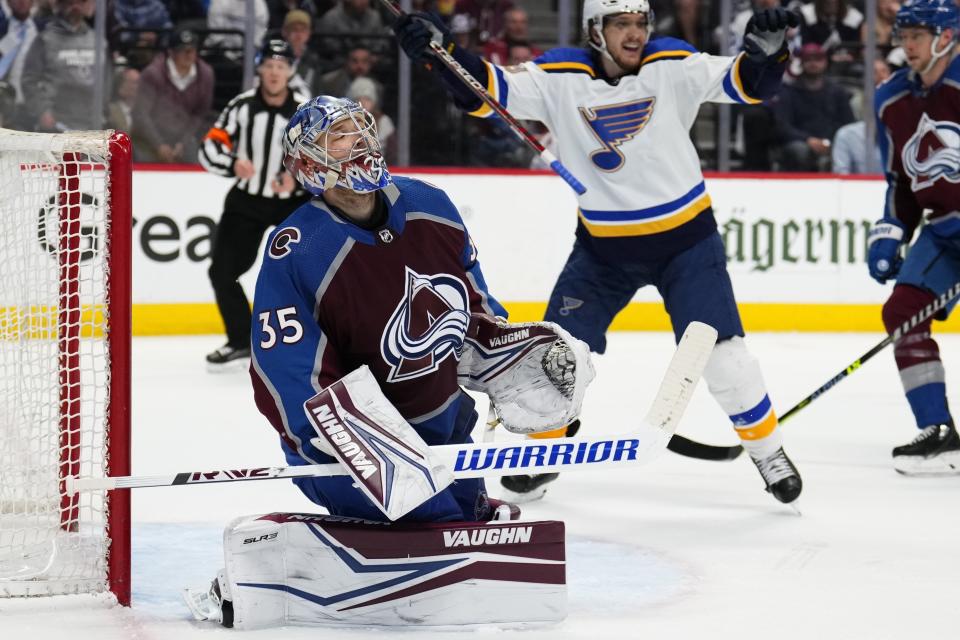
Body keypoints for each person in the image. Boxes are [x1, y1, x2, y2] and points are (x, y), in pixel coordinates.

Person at [182, 96, 592, 628]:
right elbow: (289, 377)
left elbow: (475, 313)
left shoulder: (432, 205)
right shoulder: (297, 249)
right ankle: (273, 571)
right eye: (340, 137)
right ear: (310, 164)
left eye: (362, 130)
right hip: (349, 450)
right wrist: (368, 449)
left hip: (443, 434)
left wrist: (513, 354)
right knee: (439, 526)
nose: (360, 143)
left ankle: (416, 542)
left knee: (468, 519)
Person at [394, 0, 805, 504]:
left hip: (687, 242)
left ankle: (768, 451)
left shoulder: (670, 64)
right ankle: (544, 454)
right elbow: (485, 90)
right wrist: (444, 53)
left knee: (725, 358)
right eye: (621, 24)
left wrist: (768, 53)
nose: (634, 34)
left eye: (640, 23)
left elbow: (747, 84)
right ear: (595, 30)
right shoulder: (558, 75)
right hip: (603, 251)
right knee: (554, 355)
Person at [869, 0, 960, 475]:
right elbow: (901, 182)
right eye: (903, 36)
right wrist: (891, 231)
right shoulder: (891, 99)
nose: (907, 45)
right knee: (902, 312)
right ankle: (938, 431)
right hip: (946, 231)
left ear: (946, 36)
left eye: (917, 36)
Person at [198, 39, 310, 369]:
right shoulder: (241, 106)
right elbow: (209, 148)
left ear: (291, 71)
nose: (275, 73)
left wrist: (298, 177)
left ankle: (309, 343)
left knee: (306, 275)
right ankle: (239, 339)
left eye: (282, 66)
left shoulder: (304, 110)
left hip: (293, 204)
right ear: (259, 68)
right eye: (269, 65)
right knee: (222, 271)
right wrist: (232, 164)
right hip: (246, 201)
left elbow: (323, 157)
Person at [20, 0, 111, 131]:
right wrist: (42, 111)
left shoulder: (98, 42)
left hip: (91, 123)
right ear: (59, 5)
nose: (75, 6)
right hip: (56, 125)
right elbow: (29, 80)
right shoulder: (45, 40)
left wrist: (103, 110)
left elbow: (107, 81)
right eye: (69, 2)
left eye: (81, 2)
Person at [134, 28, 214, 163]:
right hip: (149, 139)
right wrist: (159, 145)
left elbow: (199, 113)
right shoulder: (153, 74)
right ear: (171, 52)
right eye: (183, 50)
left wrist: (183, 142)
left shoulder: (205, 74)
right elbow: (141, 114)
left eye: (192, 50)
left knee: (197, 158)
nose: (189, 55)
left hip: (183, 140)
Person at [770, 42, 855, 171]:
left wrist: (830, 142)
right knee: (799, 151)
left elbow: (848, 123)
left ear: (825, 62)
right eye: (808, 60)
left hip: (833, 142)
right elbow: (782, 126)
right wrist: (808, 140)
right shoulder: (788, 91)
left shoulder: (838, 92)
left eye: (818, 59)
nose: (813, 63)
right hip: (800, 143)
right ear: (802, 63)